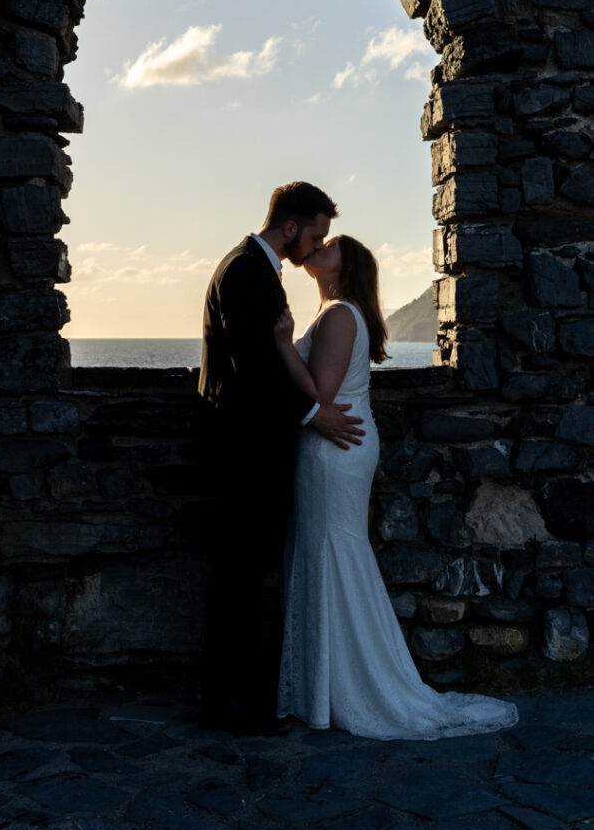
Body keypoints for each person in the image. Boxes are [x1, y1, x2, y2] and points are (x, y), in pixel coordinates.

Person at [273, 234, 519, 739]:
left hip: (334, 449)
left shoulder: (340, 315)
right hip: (335, 446)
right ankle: (328, 687)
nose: (319, 246)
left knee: (332, 553)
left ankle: (351, 688)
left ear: (348, 266)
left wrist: (281, 344)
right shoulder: (335, 312)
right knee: (328, 552)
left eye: (331, 245)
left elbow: (320, 392)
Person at [197, 182, 365, 734]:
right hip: (247, 451)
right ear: (290, 228)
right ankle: (231, 707)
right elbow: (253, 367)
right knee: (240, 576)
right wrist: (313, 414)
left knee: (245, 574)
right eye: (314, 236)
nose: (315, 246)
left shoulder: (254, 268)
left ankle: (237, 700)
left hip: (253, 448)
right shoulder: (246, 271)